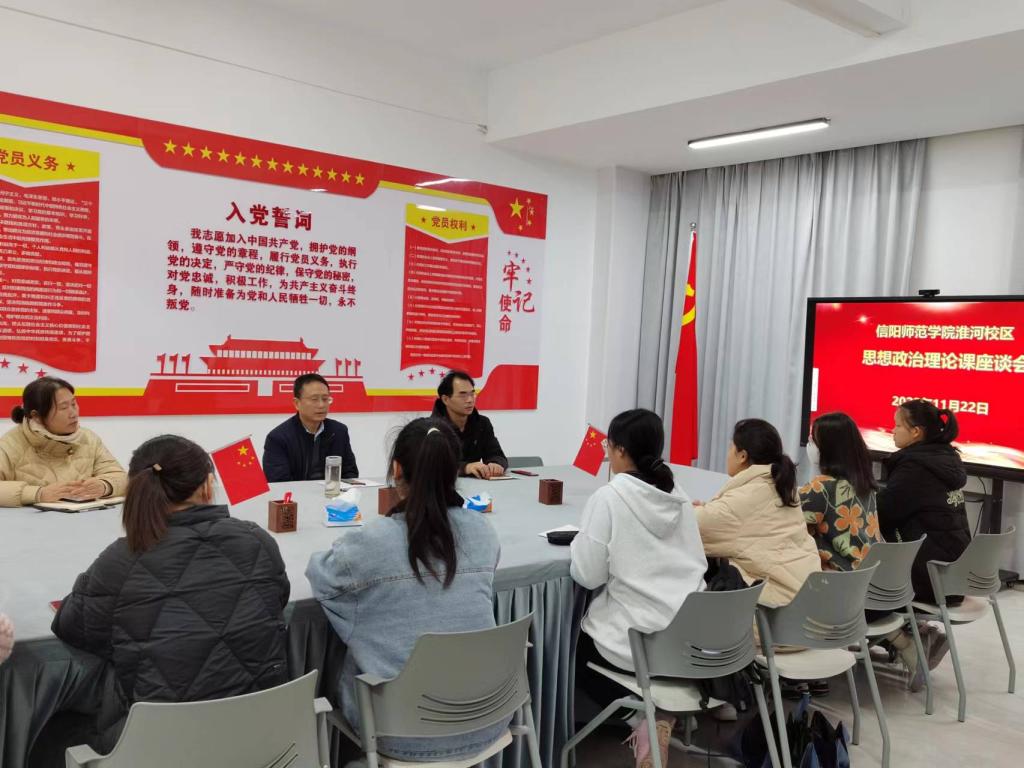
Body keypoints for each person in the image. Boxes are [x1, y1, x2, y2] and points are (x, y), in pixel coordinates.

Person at [52, 435, 290, 751]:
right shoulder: (257, 540)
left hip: (162, 746)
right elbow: (279, 599)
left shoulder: (121, 560)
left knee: (57, 730)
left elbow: (73, 627)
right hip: (265, 738)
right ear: (208, 486)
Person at [306, 417, 507, 763]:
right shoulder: (483, 532)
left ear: (397, 469)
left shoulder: (371, 542)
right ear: (454, 472)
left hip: (398, 732)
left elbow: (320, 575)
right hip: (487, 718)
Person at [570, 409, 706, 768]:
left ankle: (641, 719)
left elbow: (587, 575)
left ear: (619, 450)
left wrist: (579, 540)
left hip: (637, 643)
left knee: (577, 649)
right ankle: (660, 714)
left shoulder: (610, 497)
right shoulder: (677, 494)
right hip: (688, 640)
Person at [876, 400, 968, 678]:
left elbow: (881, 515)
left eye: (897, 425)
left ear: (916, 432)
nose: (892, 430)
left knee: (857, 580)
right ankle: (917, 634)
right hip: (952, 574)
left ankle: (906, 641)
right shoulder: (946, 459)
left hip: (928, 577)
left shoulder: (914, 468)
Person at [695, 419, 820, 609]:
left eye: (731, 447)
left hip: (776, 609)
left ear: (742, 456)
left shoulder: (748, 496)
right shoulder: (782, 487)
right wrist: (708, 509)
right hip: (805, 596)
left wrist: (698, 510)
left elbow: (692, 526)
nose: (728, 454)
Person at [0, 377, 127, 507]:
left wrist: (105, 486)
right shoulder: (10, 444)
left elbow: (122, 477)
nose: (73, 413)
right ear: (36, 416)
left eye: (73, 404)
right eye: (63, 407)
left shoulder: (88, 439)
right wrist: (38, 494)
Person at [800, 412, 883, 571]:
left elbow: (788, 525)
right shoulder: (866, 484)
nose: (809, 444)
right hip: (864, 574)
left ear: (828, 448)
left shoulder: (821, 488)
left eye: (813, 440)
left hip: (834, 576)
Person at [262, 373, 358, 482]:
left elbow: (350, 473)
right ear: (297, 403)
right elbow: (278, 482)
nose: (321, 405)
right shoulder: (278, 438)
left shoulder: (339, 431)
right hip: (297, 493)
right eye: (314, 399)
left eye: (325, 399)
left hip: (333, 491)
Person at [431, 371, 507, 478]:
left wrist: (495, 463)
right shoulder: (431, 428)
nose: (470, 400)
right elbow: (433, 465)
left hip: (475, 486)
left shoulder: (482, 423)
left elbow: (496, 454)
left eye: (472, 394)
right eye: (462, 395)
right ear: (445, 399)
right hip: (443, 486)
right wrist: (465, 468)